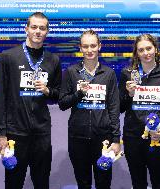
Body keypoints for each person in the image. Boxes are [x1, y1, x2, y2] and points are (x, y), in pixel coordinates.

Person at [0, 12, 62, 189]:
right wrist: (1, 133)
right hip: (15, 134)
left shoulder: (53, 60)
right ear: (26, 29)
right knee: (13, 182)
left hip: (41, 134)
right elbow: (0, 97)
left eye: (42, 28)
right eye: (34, 27)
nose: (38, 31)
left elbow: (58, 95)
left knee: (41, 182)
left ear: (47, 32)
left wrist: (48, 90)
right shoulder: (8, 57)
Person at [58, 29, 121, 189]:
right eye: (85, 46)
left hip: (103, 139)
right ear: (80, 48)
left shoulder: (109, 73)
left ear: (99, 46)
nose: (89, 50)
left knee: (103, 183)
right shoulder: (72, 72)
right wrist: (79, 94)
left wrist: (115, 139)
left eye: (93, 45)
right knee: (83, 183)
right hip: (77, 138)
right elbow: (62, 103)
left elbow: (114, 108)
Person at [119, 34, 160, 189]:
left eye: (149, 48)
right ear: (136, 53)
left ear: (156, 49)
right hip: (132, 137)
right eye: (141, 50)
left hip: (156, 136)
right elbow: (119, 107)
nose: (146, 53)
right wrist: (129, 94)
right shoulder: (127, 74)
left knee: (159, 182)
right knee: (138, 183)